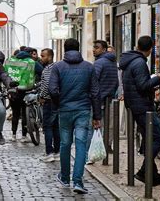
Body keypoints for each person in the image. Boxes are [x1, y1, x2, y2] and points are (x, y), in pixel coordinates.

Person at [49, 38, 101, 194]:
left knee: (65, 144)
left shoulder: (57, 67)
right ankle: (78, 181)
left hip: (64, 111)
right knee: (80, 145)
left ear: (64, 49)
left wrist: (59, 104)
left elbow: (52, 90)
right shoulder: (89, 67)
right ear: (78, 48)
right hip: (83, 110)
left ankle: (65, 177)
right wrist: (97, 115)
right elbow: (95, 92)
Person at [119, 36, 160, 186]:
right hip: (142, 107)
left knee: (149, 138)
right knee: (158, 137)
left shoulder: (130, 60)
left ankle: (152, 174)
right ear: (151, 49)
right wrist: (158, 78)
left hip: (136, 105)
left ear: (137, 46)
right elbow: (143, 85)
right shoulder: (139, 63)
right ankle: (144, 171)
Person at [90, 40, 119, 157]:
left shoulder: (99, 63)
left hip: (99, 98)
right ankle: (106, 145)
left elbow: (94, 81)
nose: (93, 49)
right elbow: (116, 82)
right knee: (108, 125)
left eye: (96, 47)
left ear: (103, 49)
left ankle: (93, 152)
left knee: (95, 126)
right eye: (93, 47)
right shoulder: (112, 62)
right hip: (110, 98)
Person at [10, 47, 43, 143]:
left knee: (15, 113)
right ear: (29, 53)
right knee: (24, 112)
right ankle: (24, 136)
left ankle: (13, 135)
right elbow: (42, 72)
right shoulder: (32, 62)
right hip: (26, 90)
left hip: (14, 90)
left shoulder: (14, 60)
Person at [39, 48, 60, 163]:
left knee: (47, 127)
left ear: (50, 57)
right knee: (56, 127)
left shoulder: (48, 69)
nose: (41, 58)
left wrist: (42, 96)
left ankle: (49, 152)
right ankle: (57, 152)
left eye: (43, 56)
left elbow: (47, 85)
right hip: (58, 101)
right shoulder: (58, 67)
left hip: (49, 101)